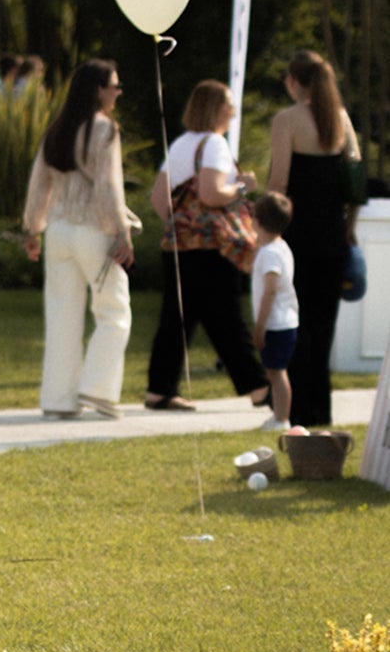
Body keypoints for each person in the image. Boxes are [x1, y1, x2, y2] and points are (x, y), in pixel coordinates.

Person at [143, 78, 268, 411]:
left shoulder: (181, 143)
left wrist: (183, 224)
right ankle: (258, 387)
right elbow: (212, 194)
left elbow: (159, 199)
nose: (234, 111)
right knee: (227, 317)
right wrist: (242, 187)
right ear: (217, 109)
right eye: (230, 104)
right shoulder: (215, 144)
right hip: (214, 247)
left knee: (177, 317)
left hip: (178, 245)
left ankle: (160, 388)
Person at [21, 58, 134, 419]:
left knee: (61, 316)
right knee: (114, 311)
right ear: (97, 89)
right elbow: (108, 187)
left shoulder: (56, 129)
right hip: (93, 230)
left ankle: (59, 399)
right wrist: (123, 232)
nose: (117, 91)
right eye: (113, 85)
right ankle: (97, 390)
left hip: (58, 232)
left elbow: (39, 184)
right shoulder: (105, 130)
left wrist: (32, 228)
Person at [267, 49, 365, 429]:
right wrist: (349, 229)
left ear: (294, 80)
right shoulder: (340, 119)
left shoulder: (287, 120)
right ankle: (320, 411)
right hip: (333, 235)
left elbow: (279, 185)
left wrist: (262, 219)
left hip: (297, 236)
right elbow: (354, 184)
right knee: (323, 327)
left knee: (296, 321)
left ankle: (297, 411)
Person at [246, 191, 299, 431]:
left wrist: (259, 327)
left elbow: (270, 292)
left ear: (257, 222)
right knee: (274, 372)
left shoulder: (270, 254)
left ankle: (282, 420)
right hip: (284, 322)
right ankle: (278, 417)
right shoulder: (281, 247)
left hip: (275, 324)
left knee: (277, 374)